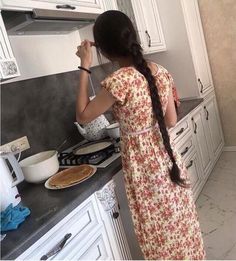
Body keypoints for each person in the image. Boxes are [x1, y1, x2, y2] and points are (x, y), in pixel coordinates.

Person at [75, 10, 205, 260]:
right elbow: (170, 120)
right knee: (180, 225)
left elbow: (82, 116)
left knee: (158, 235)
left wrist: (84, 65)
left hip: (144, 169)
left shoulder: (118, 81)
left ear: (104, 49)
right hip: (169, 159)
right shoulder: (161, 71)